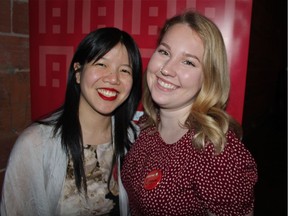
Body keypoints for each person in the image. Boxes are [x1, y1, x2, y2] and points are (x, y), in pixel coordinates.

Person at [121, 10, 258, 216]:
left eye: (188, 62)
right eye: (165, 52)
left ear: (208, 78)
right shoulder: (147, 126)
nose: (167, 69)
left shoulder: (217, 152)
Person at [1, 27, 142, 216]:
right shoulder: (35, 145)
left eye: (124, 70)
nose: (113, 79)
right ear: (78, 71)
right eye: (101, 64)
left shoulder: (135, 138)